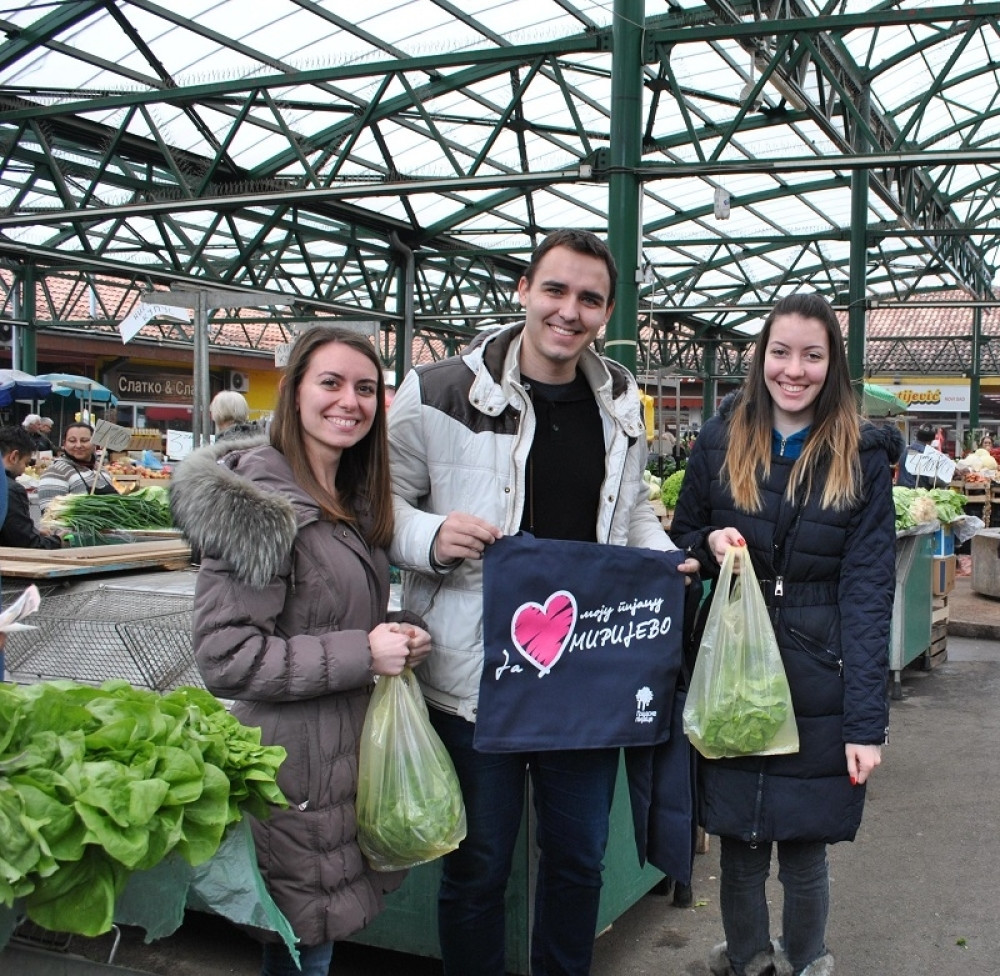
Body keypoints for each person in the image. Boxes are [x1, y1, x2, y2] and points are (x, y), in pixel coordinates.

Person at [388, 228, 699, 976]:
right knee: (478, 866)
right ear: (523, 289)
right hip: (472, 676)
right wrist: (433, 534)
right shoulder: (434, 391)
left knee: (579, 860)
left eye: (590, 298)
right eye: (555, 290)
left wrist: (665, 562)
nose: (570, 311)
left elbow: (627, 519)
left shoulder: (620, 397)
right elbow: (379, 507)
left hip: (581, 676)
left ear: (608, 312)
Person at [170, 325, 431, 976]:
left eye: (366, 388)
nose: (350, 401)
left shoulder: (346, 496)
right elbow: (226, 655)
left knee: (313, 947)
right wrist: (362, 654)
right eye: (332, 383)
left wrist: (394, 630)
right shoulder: (260, 505)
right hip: (291, 775)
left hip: (333, 763)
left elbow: (322, 613)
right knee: (302, 952)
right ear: (292, 392)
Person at [669, 293, 904, 976]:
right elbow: (683, 538)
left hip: (817, 676)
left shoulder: (859, 457)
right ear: (760, 357)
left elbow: (866, 592)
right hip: (734, 673)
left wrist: (865, 725)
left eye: (811, 355)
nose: (793, 370)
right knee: (739, 843)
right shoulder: (719, 439)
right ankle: (747, 958)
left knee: (804, 847)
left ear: (832, 365)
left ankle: (807, 960)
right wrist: (710, 541)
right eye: (780, 352)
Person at [0, 425, 64, 549]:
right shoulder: (11, 489)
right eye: (25, 463)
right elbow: (27, 543)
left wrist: (33, 532)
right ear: (14, 457)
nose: (24, 471)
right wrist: (57, 540)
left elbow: (11, 530)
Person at [35, 422, 119, 514]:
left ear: (95, 443)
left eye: (84, 440)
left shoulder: (101, 470)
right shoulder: (55, 472)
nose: (78, 445)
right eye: (72, 441)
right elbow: (50, 515)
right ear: (65, 444)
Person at [896, 424, 953, 489]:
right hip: (918, 495)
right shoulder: (929, 455)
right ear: (932, 439)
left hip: (901, 493)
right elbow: (933, 480)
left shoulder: (905, 451)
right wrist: (948, 479)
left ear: (917, 436)